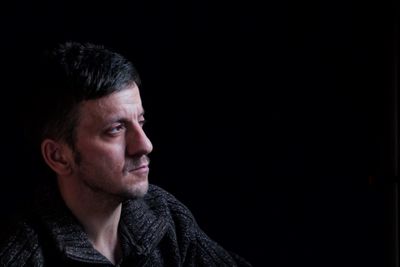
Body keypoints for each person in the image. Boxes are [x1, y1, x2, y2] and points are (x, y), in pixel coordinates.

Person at [0, 41, 252, 266]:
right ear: (58, 156)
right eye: (115, 129)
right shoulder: (22, 255)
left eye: (140, 123)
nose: (144, 145)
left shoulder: (164, 215)